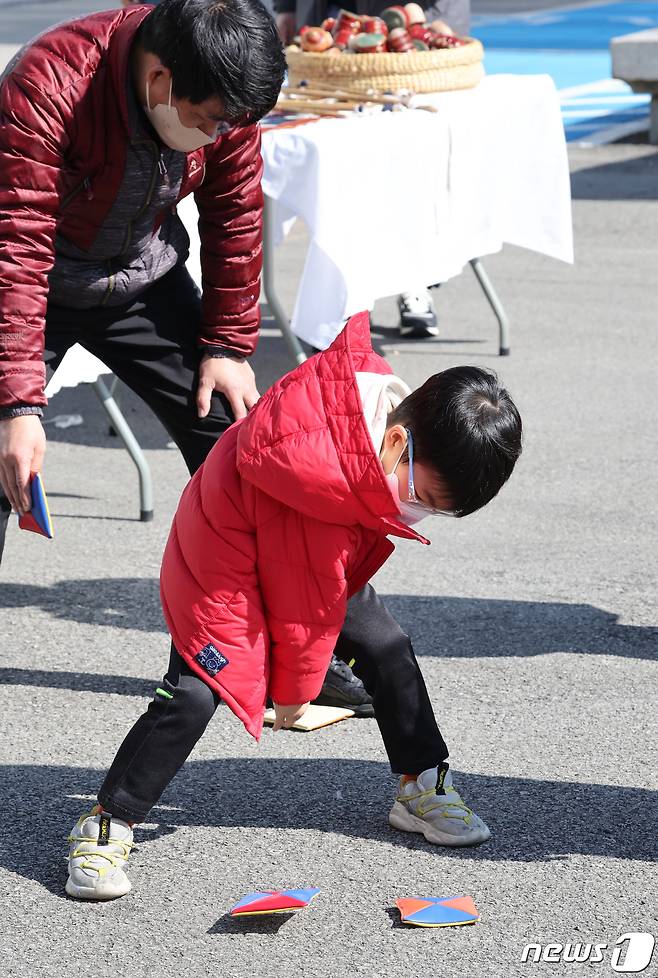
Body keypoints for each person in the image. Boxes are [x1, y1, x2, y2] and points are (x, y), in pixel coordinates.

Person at [65, 311, 522, 900]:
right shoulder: (321, 476)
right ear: (398, 441)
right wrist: (294, 695)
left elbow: (311, 585)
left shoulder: (373, 419)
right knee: (195, 691)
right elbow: (303, 608)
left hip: (302, 558)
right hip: (222, 571)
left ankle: (422, 784)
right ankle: (106, 822)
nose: (420, 513)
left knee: (387, 647)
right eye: (425, 497)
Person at [0, 0, 370, 713]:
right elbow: (15, 248)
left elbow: (235, 211)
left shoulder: (222, 90)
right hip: (29, 282)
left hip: (142, 276)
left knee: (253, 452)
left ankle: (304, 653)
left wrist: (229, 343)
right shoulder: (48, 84)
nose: (219, 135)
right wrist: (17, 404)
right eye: (208, 121)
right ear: (160, 81)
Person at [274, 0, 472, 339]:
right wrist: (285, 6)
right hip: (336, 26)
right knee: (340, 165)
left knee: (412, 160)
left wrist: (427, 27)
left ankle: (414, 279)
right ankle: (341, 301)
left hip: (410, 25)